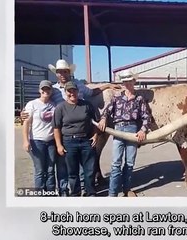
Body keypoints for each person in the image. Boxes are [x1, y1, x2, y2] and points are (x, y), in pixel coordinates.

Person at [21, 59, 120, 196]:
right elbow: (40, 103)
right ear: (56, 74)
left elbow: (92, 93)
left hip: (78, 129)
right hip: (59, 130)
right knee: (61, 165)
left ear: (69, 72)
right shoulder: (53, 89)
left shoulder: (78, 85)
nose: (62, 74)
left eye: (65, 71)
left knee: (79, 165)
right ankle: (64, 191)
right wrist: (24, 113)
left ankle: (84, 190)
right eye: (60, 72)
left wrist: (107, 85)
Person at [98, 69, 152, 197]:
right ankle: (112, 193)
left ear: (134, 81)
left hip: (132, 130)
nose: (127, 84)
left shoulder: (139, 99)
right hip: (118, 129)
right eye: (125, 82)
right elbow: (107, 110)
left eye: (129, 81)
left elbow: (146, 116)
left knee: (129, 162)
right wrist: (103, 118)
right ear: (123, 83)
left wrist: (142, 130)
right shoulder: (117, 98)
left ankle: (127, 189)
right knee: (116, 162)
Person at [52, 81, 100, 197]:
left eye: (74, 90)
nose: (72, 93)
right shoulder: (60, 108)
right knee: (72, 172)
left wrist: (95, 135)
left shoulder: (87, 105)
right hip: (69, 141)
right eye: (69, 91)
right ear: (65, 92)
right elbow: (56, 128)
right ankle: (75, 194)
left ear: (78, 91)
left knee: (89, 170)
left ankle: (90, 192)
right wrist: (59, 145)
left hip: (85, 140)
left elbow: (95, 122)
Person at [22, 80, 57, 193]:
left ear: (51, 91)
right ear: (39, 90)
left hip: (51, 141)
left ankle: (50, 191)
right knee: (40, 170)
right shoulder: (32, 104)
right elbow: (26, 122)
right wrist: (25, 141)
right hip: (37, 141)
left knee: (51, 169)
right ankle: (40, 193)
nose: (45, 91)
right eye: (43, 89)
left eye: (48, 89)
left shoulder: (54, 105)